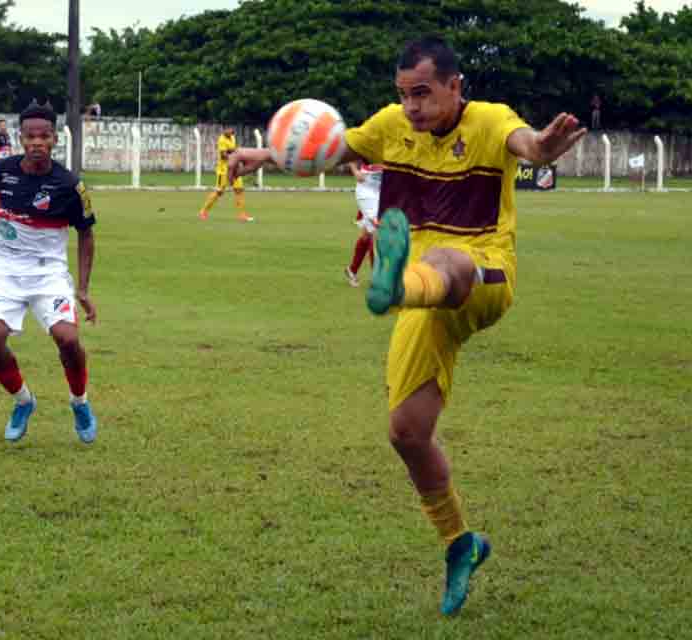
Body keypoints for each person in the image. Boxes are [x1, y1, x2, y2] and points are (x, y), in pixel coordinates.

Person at [229, 36, 585, 615]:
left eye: (423, 93)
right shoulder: (393, 125)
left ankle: (396, 284)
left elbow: (527, 144)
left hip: (483, 275)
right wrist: (261, 155)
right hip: (423, 297)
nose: (413, 107)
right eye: (404, 95)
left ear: (454, 86)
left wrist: (542, 148)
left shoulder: (491, 121)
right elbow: (335, 149)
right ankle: (460, 542)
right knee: (407, 433)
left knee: (446, 261)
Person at [0, 99, 99, 444]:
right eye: (30, 136)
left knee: (68, 340)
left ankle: (80, 402)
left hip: (48, 276)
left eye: (44, 136)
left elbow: (86, 233)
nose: (37, 142)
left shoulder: (71, 185)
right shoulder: (4, 169)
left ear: (55, 139)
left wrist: (83, 289)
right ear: (21, 137)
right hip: (3, 273)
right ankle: (23, 401)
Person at [199, 126, 254, 222]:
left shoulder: (232, 137)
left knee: (239, 190)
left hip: (234, 169)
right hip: (223, 170)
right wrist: (236, 156)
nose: (230, 132)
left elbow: (234, 150)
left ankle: (242, 215)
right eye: (228, 130)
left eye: (231, 130)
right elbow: (223, 155)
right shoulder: (222, 140)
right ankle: (203, 212)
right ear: (225, 130)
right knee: (219, 192)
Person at [344, 160, 383, 287]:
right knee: (378, 231)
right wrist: (355, 171)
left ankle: (352, 270)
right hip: (366, 191)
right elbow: (350, 155)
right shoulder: (369, 142)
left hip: (382, 193)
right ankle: (377, 279)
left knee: (367, 235)